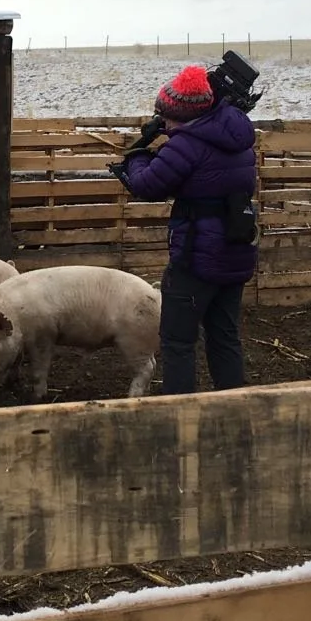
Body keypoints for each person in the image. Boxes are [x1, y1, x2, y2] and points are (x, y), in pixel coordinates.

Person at [117, 64, 258, 394]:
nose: (164, 123)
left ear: (181, 114)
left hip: (196, 256)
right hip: (235, 249)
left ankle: (178, 413)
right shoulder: (237, 136)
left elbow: (147, 185)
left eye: (167, 117)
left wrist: (137, 156)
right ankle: (234, 404)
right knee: (224, 336)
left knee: (178, 340)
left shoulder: (186, 146)